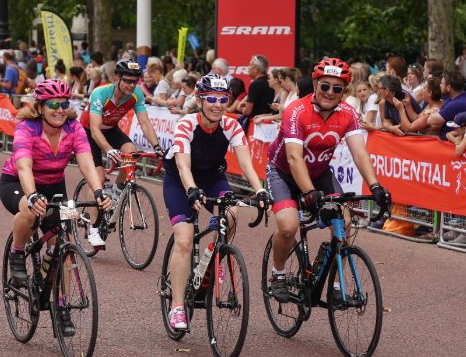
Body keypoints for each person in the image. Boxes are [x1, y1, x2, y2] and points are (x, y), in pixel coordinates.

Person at [265, 58, 391, 303]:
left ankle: (335, 286)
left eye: (337, 88)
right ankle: (278, 274)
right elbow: (293, 158)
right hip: (283, 173)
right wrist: (310, 193)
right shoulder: (296, 111)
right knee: (289, 226)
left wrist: (375, 186)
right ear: (315, 84)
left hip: (319, 173)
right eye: (325, 86)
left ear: (345, 91)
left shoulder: (348, 113)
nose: (330, 93)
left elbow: (359, 153)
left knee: (344, 222)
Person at [0, 79, 111, 336]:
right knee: (29, 210)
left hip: (53, 185)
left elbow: (86, 163)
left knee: (63, 244)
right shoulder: (27, 128)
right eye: (53, 105)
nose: (60, 109)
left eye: (64, 104)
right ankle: (18, 252)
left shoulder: (74, 128)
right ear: (40, 106)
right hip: (18, 181)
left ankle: (62, 308)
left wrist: (98, 191)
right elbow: (24, 166)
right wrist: (32, 196)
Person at [162, 74, 270, 330]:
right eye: (211, 98)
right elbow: (182, 164)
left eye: (223, 99)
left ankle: (213, 256)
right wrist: (191, 189)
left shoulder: (232, 126)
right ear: (200, 100)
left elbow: (245, 163)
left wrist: (261, 190)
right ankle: (177, 305)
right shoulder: (186, 124)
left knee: (231, 215)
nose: (218, 104)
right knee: (185, 239)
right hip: (180, 181)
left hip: (212, 178)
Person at [79, 58, 163, 247]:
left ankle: (117, 190)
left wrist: (157, 147)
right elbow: (94, 129)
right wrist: (108, 150)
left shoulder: (137, 94)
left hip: (111, 129)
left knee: (130, 152)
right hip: (88, 132)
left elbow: (145, 122)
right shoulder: (100, 93)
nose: (131, 85)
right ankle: (93, 228)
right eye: (127, 80)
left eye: (135, 81)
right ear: (117, 78)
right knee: (98, 180)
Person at [427, 71, 466, 140]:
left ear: (448, 87)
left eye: (442, 83)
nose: (440, 85)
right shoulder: (455, 98)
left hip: (451, 145)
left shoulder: (456, 104)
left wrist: (433, 111)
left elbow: (430, 120)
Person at [241, 54, 274, 132]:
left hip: (257, 126)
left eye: (250, 65)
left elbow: (247, 111)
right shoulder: (271, 82)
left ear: (256, 69)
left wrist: (242, 109)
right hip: (271, 125)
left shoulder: (255, 84)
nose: (247, 67)